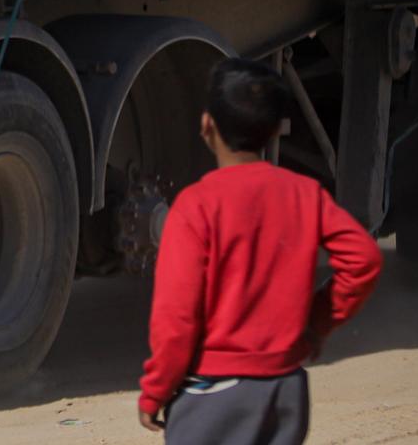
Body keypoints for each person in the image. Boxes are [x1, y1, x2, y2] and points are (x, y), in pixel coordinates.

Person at [138, 58, 382, 443]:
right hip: (285, 388)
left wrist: (156, 390)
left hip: (213, 395)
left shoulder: (195, 206)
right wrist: (316, 322)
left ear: (207, 125)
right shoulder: (305, 195)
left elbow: (176, 317)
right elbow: (364, 259)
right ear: (273, 131)